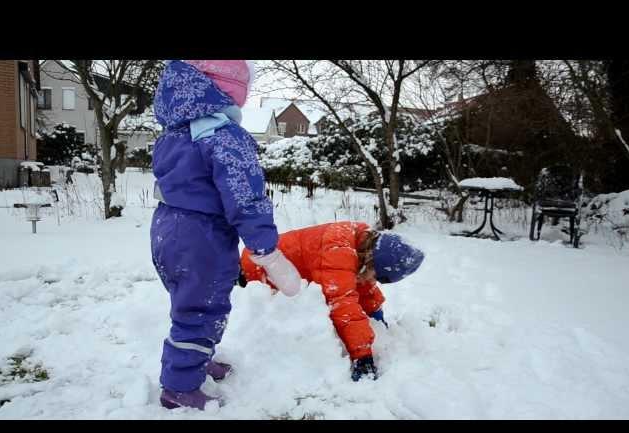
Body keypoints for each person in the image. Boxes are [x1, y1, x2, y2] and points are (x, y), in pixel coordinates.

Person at [150, 60, 301, 410]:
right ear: (228, 89)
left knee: (188, 304)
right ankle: (179, 387)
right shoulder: (223, 136)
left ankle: (194, 359)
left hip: (166, 229)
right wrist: (267, 250)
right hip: (201, 236)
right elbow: (245, 196)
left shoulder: (174, 133)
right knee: (201, 310)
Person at [239, 221, 424, 381]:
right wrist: (362, 354)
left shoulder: (360, 240)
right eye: (374, 275)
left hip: (264, 259)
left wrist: (375, 311)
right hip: (257, 269)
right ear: (370, 260)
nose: (372, 281)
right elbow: (342, 303)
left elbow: (361, 282)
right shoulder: (338, 251)